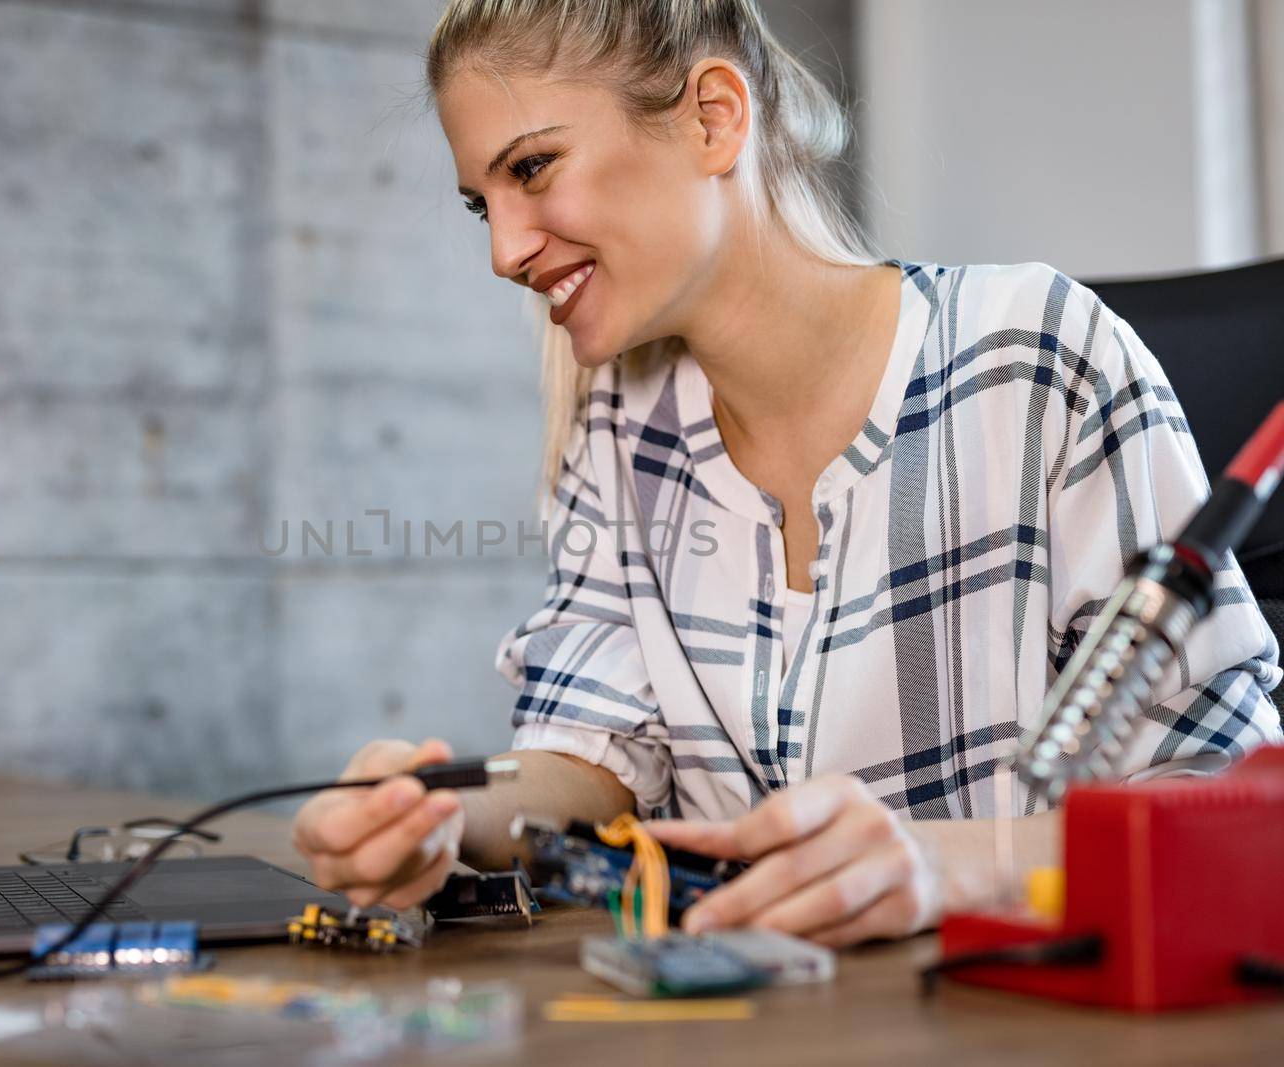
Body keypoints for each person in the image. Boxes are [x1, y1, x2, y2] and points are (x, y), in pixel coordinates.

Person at [290, 0, 1282, 946]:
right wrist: (436, 810)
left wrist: (950, 866)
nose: (504, 251)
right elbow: (590, 755)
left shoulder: (1034, 354)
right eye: (482, 206)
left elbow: (1237, 803)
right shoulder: (620, 426)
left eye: (534, 167)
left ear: (714, 119)